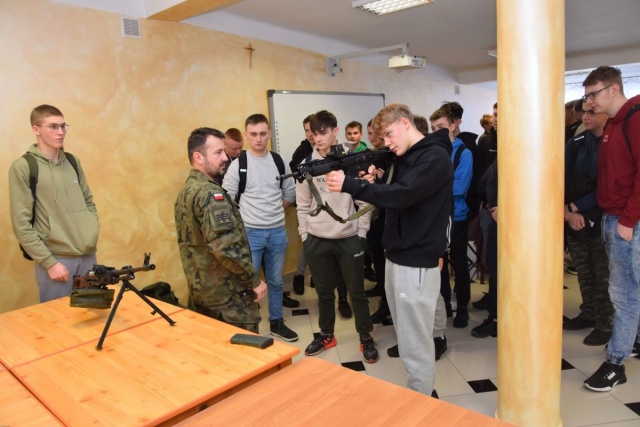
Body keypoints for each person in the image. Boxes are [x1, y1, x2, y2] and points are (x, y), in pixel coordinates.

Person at [326, 103, 453, 396]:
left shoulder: (434, 157)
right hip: (398, 255)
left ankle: (423, 398)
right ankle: (421, 392)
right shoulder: (409, 156)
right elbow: (406, 195)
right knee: (406, 334)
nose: (386, 142)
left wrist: (352, 185)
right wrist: (379, 181)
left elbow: (403, 195)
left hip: (415, 260)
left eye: (389, 134)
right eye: (382, 137)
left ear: (405, 123)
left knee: (415, 341)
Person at [297, 110, 377, 363]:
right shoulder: (305, 166)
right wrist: (305, 237)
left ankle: (365, 337)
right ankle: (326, 335)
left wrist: (361, 234)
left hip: (348, 238)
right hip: (316, 239)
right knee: (323, 293)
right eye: (314, 134)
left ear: (335, 131)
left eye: (323, 133)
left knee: (357, 293)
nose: (318, 138)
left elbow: (364, 200)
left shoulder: (351, 161)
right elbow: (302, 206)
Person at [174, 127, 267, 333]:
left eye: (224, 151)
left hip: (202, 294)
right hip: (228, 300)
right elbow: (225, 248)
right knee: (243, 350)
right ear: (198, 157)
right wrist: (254, 280)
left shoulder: (187, 190)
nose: (225, 157)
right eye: (218, 153)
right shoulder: (210, 195)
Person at [582, 65, 640, 392]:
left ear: (614, 89)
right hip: (613, 217)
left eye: (594, 94)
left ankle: (615, 363)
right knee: (626, 291)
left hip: (627, 221)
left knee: (624, 293)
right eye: (587, 95)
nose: (589, 102)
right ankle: (629, 342)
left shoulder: (635, 117)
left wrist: (629, 220)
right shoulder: (612, 124)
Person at [9, 104, 99, 303]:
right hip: (57, 260)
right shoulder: (24, 167)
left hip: (88, 257)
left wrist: (91, 231)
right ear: (36, 129)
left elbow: (89, 202)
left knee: (92, 315)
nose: (61, 132)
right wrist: (49, 263)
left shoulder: (73, 161)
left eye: (63, 126)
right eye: (53, 127)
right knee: (57, 319)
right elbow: (21, 224)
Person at [222, 114, 299, 342]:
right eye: (253, 134)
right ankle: (249, 327)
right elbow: (227, 198)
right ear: (246, 135)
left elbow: (290, 192)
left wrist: (273, 211)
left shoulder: (279, 161)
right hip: (250, 234)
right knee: (249, 282)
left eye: (263, 134)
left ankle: (276, 322)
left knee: (276, 281)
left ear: (269, 135)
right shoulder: (239, 165)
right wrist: (247, 218)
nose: (258, 139)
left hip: (277, 231)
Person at [562, 101, 613, 346]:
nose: (585, 116)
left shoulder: (612, 143)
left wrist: (577, 207)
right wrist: (568, 210)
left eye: (592, 112)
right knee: (584, 271)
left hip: (601, 217)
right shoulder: (576, 143)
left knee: (603, 275)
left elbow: (607, 185)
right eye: (583, 111)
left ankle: (605, 323)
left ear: (606, 114)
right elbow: (560, 177)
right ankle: (589, 312)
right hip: (574, 216)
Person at [430, 106, 473, 328]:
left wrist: (433, 186)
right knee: (440, 264)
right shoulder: (432, 151)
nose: (436, 132)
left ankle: (463, 307)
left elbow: (460, 187)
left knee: (459, 262)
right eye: (433, 128)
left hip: (457, 217)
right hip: (437, 217)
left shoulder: (464, 153)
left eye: (441, 127)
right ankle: (445, 303)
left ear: (453, 125)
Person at [291, 115, 316, 295]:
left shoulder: (330, 149)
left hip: (329, 207)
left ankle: (316, 276)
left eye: (313, 130)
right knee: (309, 242)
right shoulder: (302, 153)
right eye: (307, 130)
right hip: (308, 204)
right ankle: (299, 275)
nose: (310, 134)